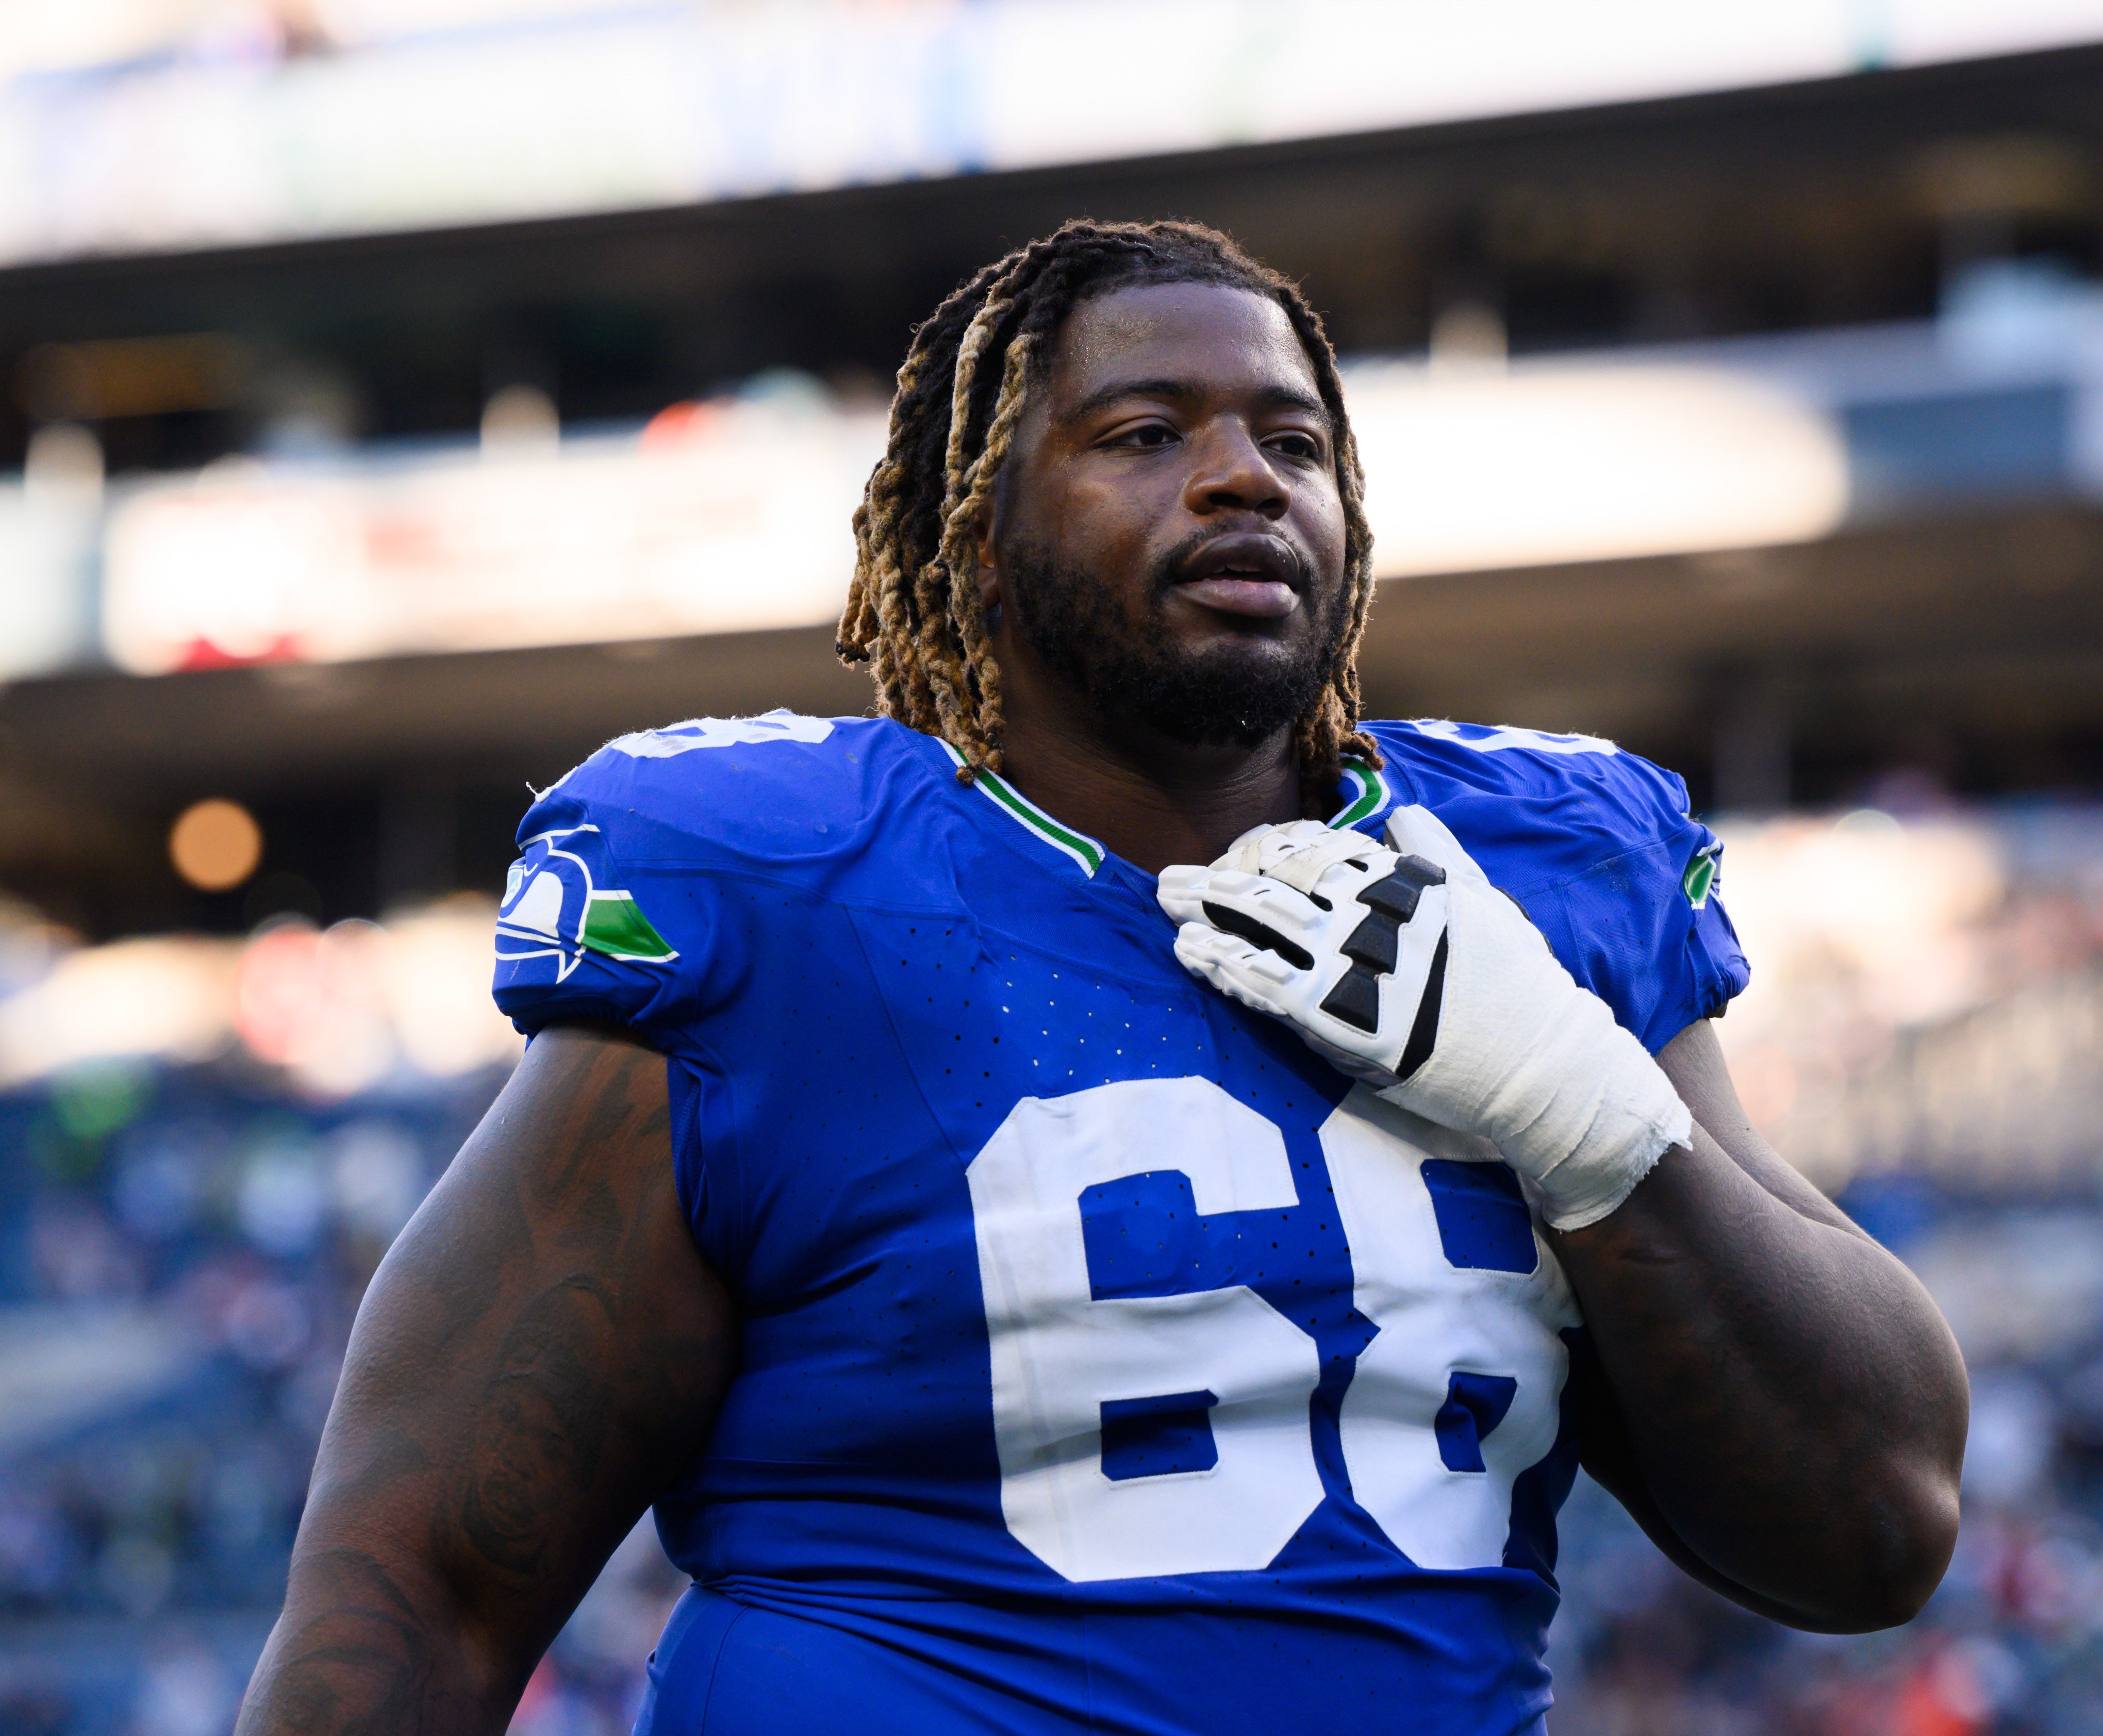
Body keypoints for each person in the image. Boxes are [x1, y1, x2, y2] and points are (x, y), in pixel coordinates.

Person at [236, 219, 1967, 1736]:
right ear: (977, 529)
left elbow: (1873, 1521)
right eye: (1147, 433)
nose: (1242, 477)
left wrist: (1590, 1117)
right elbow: (419, 1595)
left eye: (1292, 439)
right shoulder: (784, 889)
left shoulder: (1542, 876)